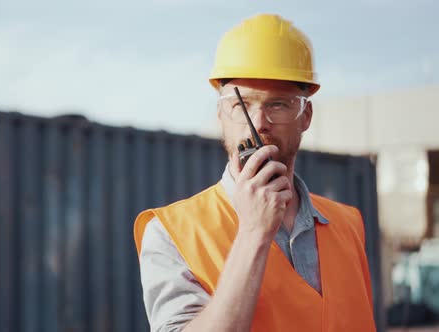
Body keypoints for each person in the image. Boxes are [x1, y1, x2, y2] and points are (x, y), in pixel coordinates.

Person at [133, 13, 376, 332]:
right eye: (242, 105)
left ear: (305, 116)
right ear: (221, 113)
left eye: (277, 105)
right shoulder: (171, 233)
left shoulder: (349, 225)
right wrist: (253, 232)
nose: (258, 122)